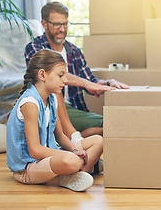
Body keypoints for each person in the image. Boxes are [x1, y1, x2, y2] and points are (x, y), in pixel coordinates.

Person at [25, 2, 129, 143]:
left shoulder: (74, 51)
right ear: (44, 23)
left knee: (112, 126)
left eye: (65, 24)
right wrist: (87, 83)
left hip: (73, 108)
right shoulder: (35, 48)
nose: (62, 29)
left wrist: (109, 83)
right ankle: (72, 137)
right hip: (48, 107)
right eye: (57, 24)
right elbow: (53, 75)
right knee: (110, 127)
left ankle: (73, 137)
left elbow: (92, 82)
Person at [6, 49, 103, 192]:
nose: (65, 80)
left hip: (49, 155)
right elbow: (35, 151)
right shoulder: (30, 103)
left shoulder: (53, 98)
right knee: (71, 160)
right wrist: (71, 155)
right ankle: (79, 170)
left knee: (98, 141)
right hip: (28, 168)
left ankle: (74, 175)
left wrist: (75, 150)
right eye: (60, 75)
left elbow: (60, 136)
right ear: (42, 74)